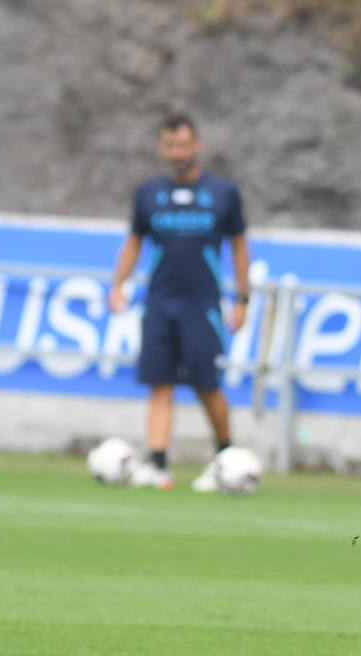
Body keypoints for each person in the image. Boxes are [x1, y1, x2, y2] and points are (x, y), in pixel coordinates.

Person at [108, 112, 251, 491]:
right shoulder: (148, 194)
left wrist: (242, 297)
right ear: (162, 147)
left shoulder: (222, 194)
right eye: (170, 145)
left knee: (208, 386)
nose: (177, 152)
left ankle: (225, 458)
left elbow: (238, 245)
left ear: (197, 145)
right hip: (160, 304)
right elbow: (135, 240)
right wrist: (117, 284)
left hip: (202, 306)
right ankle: (157, 464)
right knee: (160, 384)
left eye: (184, 144)